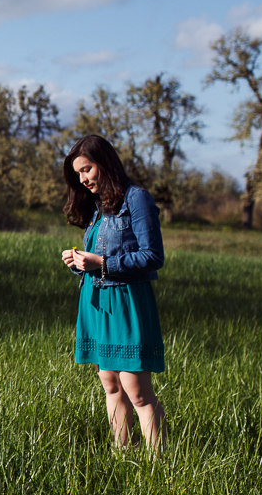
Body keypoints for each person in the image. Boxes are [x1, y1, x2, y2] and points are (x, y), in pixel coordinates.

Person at [60, 134, 167, 452]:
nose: (83, 178)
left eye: (87, 169)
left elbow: (153, 256)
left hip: (126, 302)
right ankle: (122, 455)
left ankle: (157, 467)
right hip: (95, 303)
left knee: (136, 390)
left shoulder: (137, 199)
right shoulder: (96, 208)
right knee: (110, 385)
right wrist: (79, 263)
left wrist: (102, 262)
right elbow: (98, 257)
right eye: (78, 173)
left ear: (105, 163)